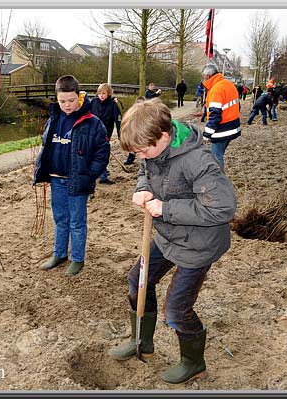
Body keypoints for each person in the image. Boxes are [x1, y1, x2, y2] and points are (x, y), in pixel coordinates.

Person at [108, 98, 237, 385]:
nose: (141, 157)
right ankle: (142, 341)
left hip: (199, 244)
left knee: (177, 309)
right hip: (169, 235)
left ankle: (194, 363)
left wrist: (166, 209)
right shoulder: (152, 152)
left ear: (164, 137)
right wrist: (142, 190)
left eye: (143, 151)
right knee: (138, 280)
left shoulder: (198, 161)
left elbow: (223, 208)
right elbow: (146, 171)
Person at [34, 75, 110, 276]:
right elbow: (46, 144)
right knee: (60, 219)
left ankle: (77, 258)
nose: (67, 105)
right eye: (62, 101)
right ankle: (59, 254)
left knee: (77, 221)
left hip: (78, 180)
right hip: (56, 178)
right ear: (57, 99)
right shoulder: (54, 119)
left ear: (79, 97)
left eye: (71, 100)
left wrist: (90, 174)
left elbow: (102, 152)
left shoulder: (92, 122)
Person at [201, 63, 241, 171]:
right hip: (233, 126)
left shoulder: (216, 90)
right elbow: (238, 106)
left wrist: (206, 134)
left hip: (222, 130)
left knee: (216, 158)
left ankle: (219, 181)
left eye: (203, 76)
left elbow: (215, 115)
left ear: (208, 76)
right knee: (219, 154)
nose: (203, 79)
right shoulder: (229, 84)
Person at [90, 83, 122, 184]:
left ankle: (102, 173)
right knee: (97, 154)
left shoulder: (113, 104)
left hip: (106, 133)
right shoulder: (93, 102)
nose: (101, 95)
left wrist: (120, 135)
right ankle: (102, 175)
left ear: (108, 93)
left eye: (104, 93)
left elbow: (118, 120)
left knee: (103, 154)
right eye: (99, 93)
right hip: (93, 133)